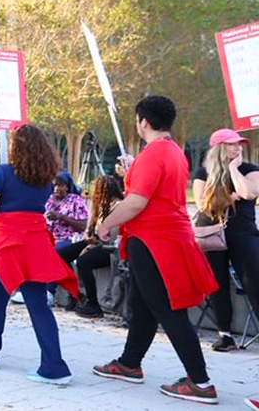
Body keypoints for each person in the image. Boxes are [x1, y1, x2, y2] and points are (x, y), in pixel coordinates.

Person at [92, 95, 219, 404]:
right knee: (144, 304)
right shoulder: (174, 152)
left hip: (152, 241)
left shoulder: (153, 155)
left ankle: (200, 382)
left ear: (143, 122)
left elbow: (137, 202)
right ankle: (129, 363)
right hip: (168, 238)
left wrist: (105, 223)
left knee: (167, 309)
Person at [0, 124, 76, 385]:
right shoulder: (46, 176)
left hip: (7, 240)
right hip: (36, 240)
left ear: (16, 146)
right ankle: (54, 365)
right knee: (38, 303)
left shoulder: (3, 172)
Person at [191, 128, 259, 353]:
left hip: (243, 233)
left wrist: (233, 169)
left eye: (239, 143)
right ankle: (225, 335)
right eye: (231, 144)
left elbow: (248, 193)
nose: (237, 147)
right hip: (212, 232)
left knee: (254, 280)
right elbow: (203, 204)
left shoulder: (250, 169)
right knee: (216, 283)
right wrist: (226, 198)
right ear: (219, 147)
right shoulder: (203, 172)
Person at [58, 174, 125, 319]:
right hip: (94, 241)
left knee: (84, 262)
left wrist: (90, 245)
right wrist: (88, 237)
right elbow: (89, 229)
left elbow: (112, 235)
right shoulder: (99, 205)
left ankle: (93, 304)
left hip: (110, 247)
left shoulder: (119, 206)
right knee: (60, 255)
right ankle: (75, 293)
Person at [45, 172, 89, 249]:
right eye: (55, 185)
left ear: (67, 187)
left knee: (55, 250)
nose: (56, 189)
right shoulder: (49, 200)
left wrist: (62, 217)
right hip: (49, 238)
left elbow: (83, 226)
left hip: (69, 239)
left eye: (60, 185)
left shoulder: (76, 201)